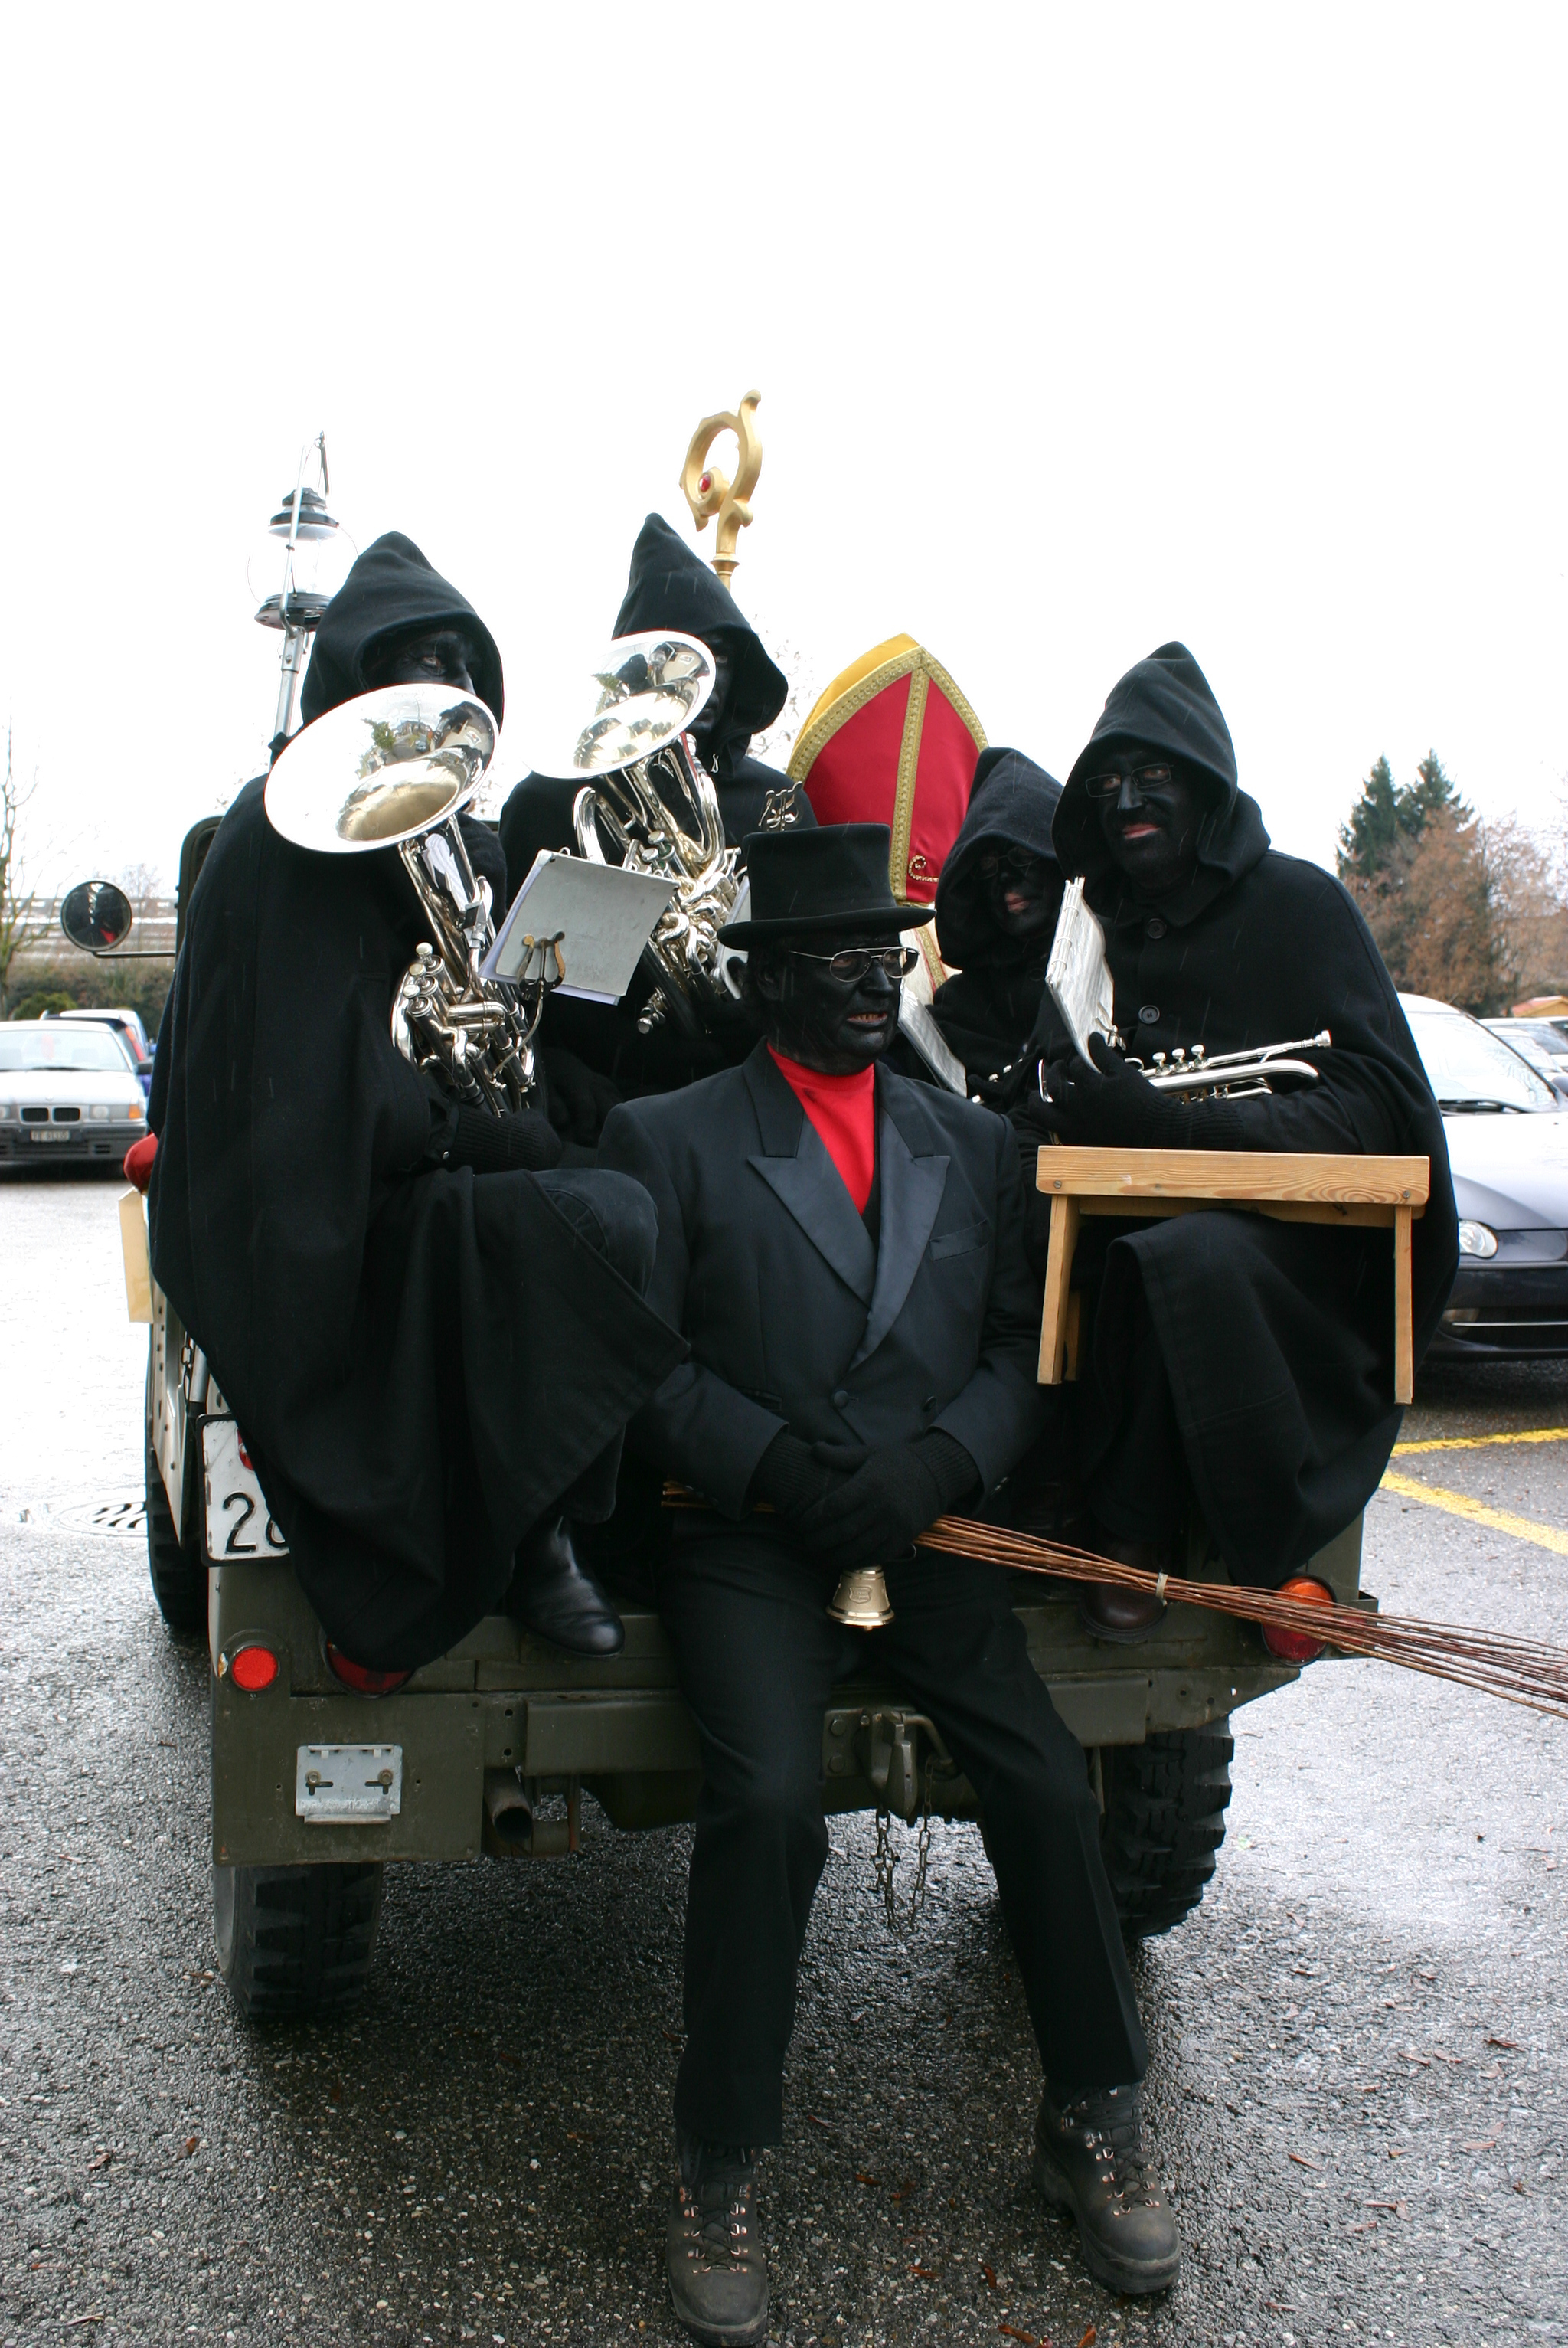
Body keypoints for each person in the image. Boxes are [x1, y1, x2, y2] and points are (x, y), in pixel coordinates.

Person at [598, 823, 1179, 2339]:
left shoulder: (970, 1145)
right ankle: (718, 2164)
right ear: (774, 975)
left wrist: (935, 1469)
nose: (879, 976)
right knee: (769, 1801)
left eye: (889, 951)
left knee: (1049, 1789)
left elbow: (1013, 1356)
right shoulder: (670, 1138)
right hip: (750, 1533)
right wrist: (778, 1470)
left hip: (924, 1525)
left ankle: (1095, 2117)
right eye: (841, 955)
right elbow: (643, 1366)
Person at [146, 534, 686, 1670]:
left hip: (429, 1172)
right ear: (352, 681)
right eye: (416, 662)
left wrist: (609, 981)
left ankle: (625, 1516)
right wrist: (478, 1131)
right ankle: (536, 1538)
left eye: (463, 666)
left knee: (652, 1178)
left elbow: (504, 1015)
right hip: (330, 1227)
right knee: (605, 1223)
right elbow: (301, 1094)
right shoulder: (272, 841)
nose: (445, 686)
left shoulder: (459, 845)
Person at [1019, 641, 1458, 1636]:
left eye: (1156, 775)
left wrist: (1174, 1126)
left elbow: (1374, 1110)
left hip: (1295, 1257)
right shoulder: (1096, 927)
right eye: (1111, 781)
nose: (1129, 798)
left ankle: (1129, 1528)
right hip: (1118, 1220)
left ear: (1208, 787)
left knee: (1181, 1258)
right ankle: (1022, 1485)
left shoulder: (1299, 906)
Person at [496, 515, 812, 1121]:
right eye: (679, 659)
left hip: (744, 1101)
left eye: (720, 659)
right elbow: (513, 980)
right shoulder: (546, 802)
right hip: (599, 1107)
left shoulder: (780, 802)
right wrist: (556, 1068)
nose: (705, 682)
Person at [929, 745, 1066, 1097]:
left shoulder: (1118, 973)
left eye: (1021, 854)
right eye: (988, 865)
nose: (1005, 877)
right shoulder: (959, 1011)